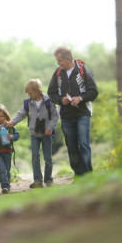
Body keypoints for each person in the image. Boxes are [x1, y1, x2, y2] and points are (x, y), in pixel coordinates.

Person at [47, 46, 98, 177]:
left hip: (83, 114)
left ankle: (88, 175)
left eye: (60, 61)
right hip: (66, 115)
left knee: (83, 144)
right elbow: (51, 94)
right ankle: (79, 175)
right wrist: (60, 100)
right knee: (71, 147)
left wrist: (80, 98)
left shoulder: (83, 71)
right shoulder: (58, 73)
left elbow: (93, 92)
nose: (58, 63)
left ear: (68, 59)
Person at [8, 79, 59, 188]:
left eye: (31, 93)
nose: (29, 95)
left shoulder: (49, 101)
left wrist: (50, 128)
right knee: (35, 156)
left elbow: (55, 116)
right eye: (28, 93)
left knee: (48, 158)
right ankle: (37, 180)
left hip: (47, 133)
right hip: (34, 134)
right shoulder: (28, 102)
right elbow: (21, 114)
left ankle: (49, 180)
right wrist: (13, 122)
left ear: (38, 91)